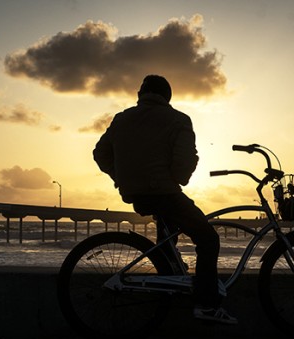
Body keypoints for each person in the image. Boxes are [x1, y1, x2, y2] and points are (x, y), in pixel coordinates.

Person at [93, 75, 237, 325]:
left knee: (168, 239)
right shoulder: (178, 120)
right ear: (167, 97)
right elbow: (183, 164)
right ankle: (207, 305)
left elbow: (100, 153)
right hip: (163, 192)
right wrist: (178, 178)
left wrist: (120, 178)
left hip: (133, 192)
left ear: (141, 94)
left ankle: (170, 277)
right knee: (208, 238)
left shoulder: (121, 118)